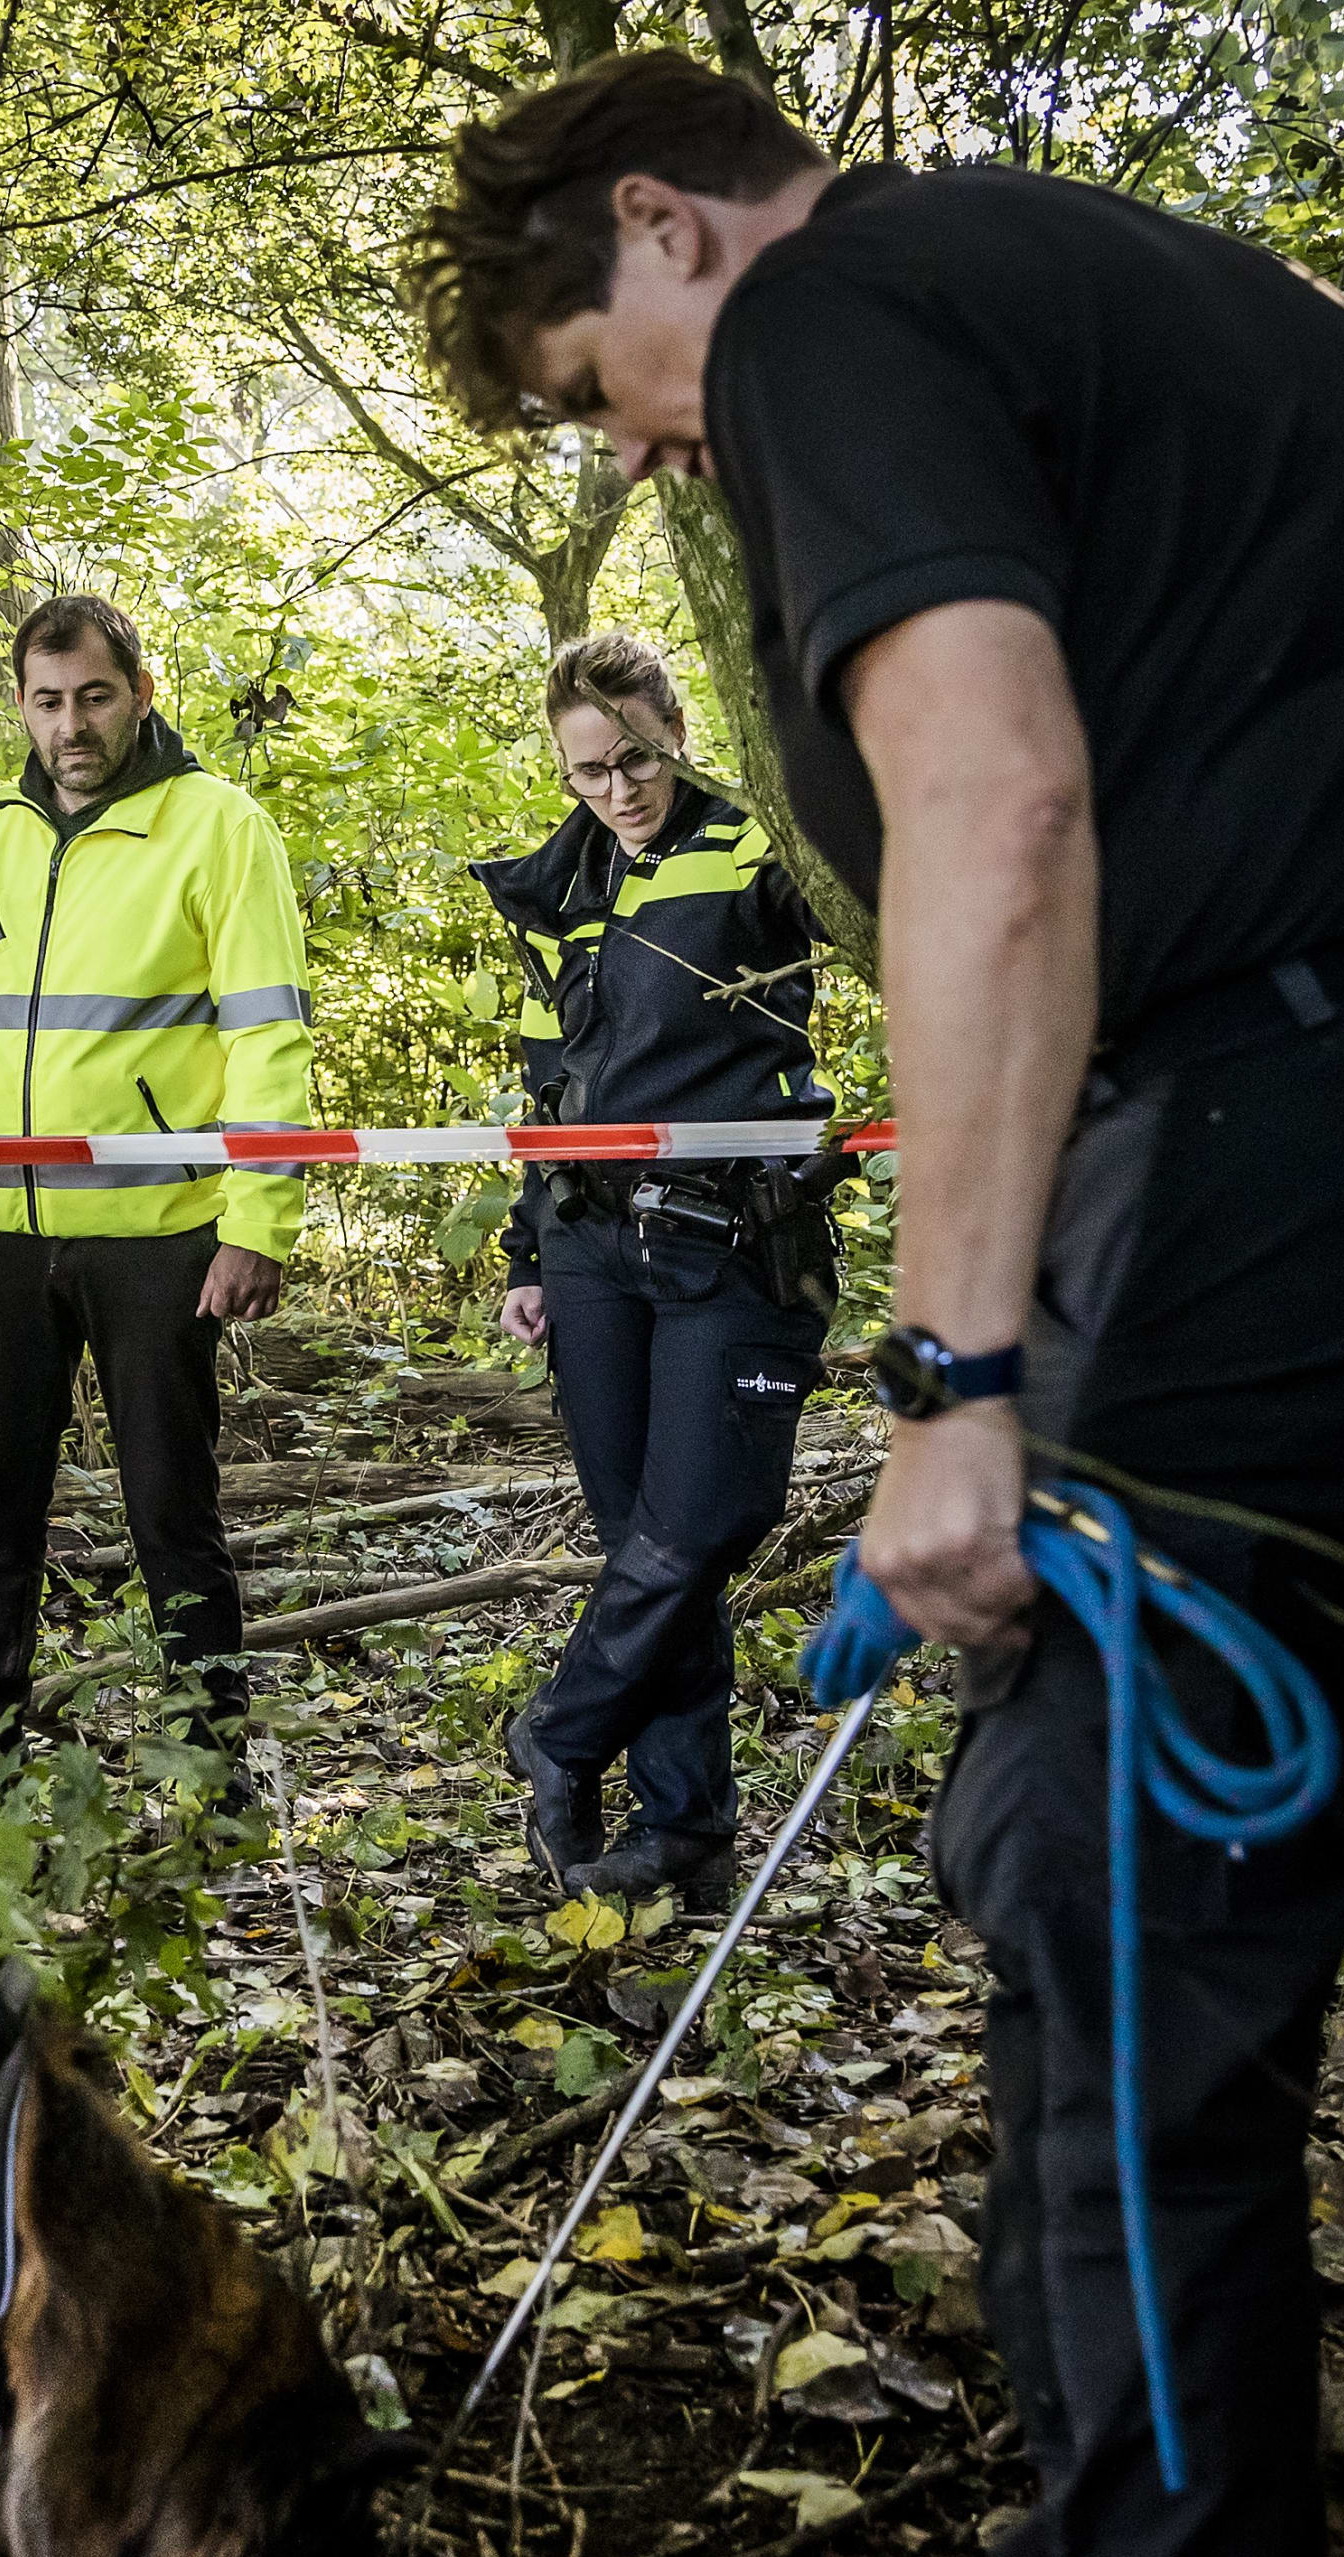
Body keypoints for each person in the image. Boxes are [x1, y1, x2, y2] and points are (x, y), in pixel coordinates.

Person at [412, 53, 1344, 2557]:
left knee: (1121, 1916)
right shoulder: (1158, 282)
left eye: (611, 399)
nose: (662, 465)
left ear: (661, 227)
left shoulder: (832, 311)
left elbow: (1000, 810)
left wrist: (957, 1381)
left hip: (1334, 1145)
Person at [0, 594, 315, 1747]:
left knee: (172, 1508)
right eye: (49, 701)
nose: (72, 725)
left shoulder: (218, 826)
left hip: (156, 1232)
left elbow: (267, 1037)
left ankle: (210, 1759)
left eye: (96, 697)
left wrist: (259, 1221)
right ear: (19, 705)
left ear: (142, 692)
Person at [480, 629, 833, 1910]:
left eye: (635, 757)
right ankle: (686, 1828)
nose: (618, 788)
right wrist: (526, 1247)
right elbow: (546, 1086)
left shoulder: (758, 849)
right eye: (589, 770)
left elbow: (876, 912)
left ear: (677, 729)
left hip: (729, 1241)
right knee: (640, 1542)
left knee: (701, 1526)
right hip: (586, 1248)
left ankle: (560, 1734)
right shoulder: (556, 889)